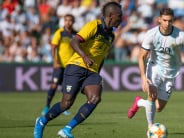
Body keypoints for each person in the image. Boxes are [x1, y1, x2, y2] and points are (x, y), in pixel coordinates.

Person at [34, 1, 122, 138]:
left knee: (95, 98)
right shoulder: (94, 26)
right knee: (66, 103)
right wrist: (84, 56)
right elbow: (74, 41)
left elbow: (102, 56)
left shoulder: (111, 36)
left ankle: (67, 129)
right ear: (110, 15)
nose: (121, 19)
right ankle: (41, 121)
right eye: (119, 16)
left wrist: (97, 72)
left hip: (92, 72)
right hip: (76, 66)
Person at [127, 7, 184, 130]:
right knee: (152, 96)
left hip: (171, 72)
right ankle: (150, 128)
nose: (167, 23)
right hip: (155, 67)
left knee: (158, 108)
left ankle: (139, 102)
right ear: (159, 20)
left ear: (173, 20)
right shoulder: (151, 34)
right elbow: (141, 56)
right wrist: (143, 78)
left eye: (170, 21)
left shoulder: (181, 36)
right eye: (165, 20)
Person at [40, 14, 77, 116]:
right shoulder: (59, 33)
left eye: (70, 20)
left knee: (67, 88)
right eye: (66, 20)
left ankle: (64, 107)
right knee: (54, 85)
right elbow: (53, 47)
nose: (68, 22)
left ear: (73, 22)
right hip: (60, 65)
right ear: (64, 22)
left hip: (70, 65)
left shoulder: (76, 34)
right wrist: (55, 60)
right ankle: (47, 106)